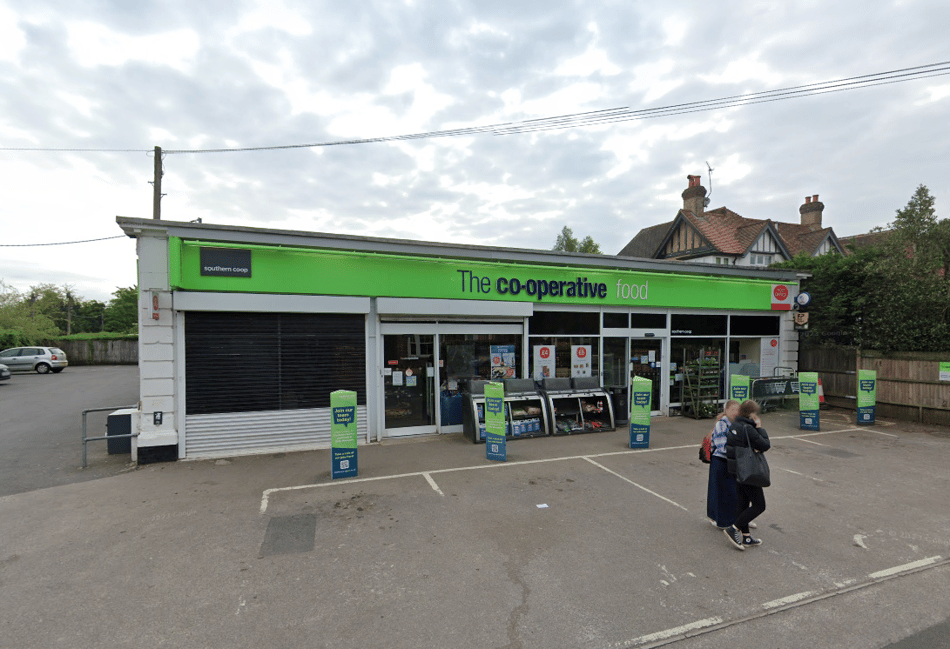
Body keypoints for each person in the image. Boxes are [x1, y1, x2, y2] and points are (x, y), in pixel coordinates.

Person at [723, 400, 770, 550]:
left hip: (737, 469)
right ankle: (733, 528)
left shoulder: (735, 425)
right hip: (749, 471)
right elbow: (765, 445)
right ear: (751, 414)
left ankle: (746, 537)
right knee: (759, 505)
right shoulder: (748, 428)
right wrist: (760, 428)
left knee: (743, 504)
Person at [707, 400, 740, 529]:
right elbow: (722, 447)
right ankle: (719, 520)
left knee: (734, 491)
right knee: (719, 492)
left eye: (737, 410)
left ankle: (739, 519)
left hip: (732, 461)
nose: (735, 412)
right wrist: (740, 452)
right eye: (732, 410)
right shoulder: (721, 424)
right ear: (726, 410)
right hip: (720, 462)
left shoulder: (738, 424)